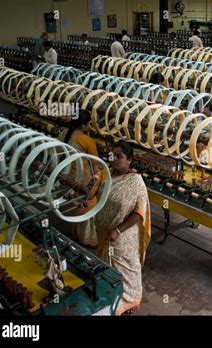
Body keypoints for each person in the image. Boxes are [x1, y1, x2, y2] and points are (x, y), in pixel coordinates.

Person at [95, 141, 151, 316]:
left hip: (123, 235)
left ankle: (131, 299)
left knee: (126, 268)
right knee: (106, 266)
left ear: (130, 160)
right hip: (104, 231)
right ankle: (111, 296)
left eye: (120, 156)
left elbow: (139, 212)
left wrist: (118, 230)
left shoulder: (136, 182)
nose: (114, 160)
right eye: (113, 156)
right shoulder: (107, 176)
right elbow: (94, 195)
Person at [59, 109, 100, 247]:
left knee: (74, 204)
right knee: (88, 206)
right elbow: (96, 165)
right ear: (83, 125)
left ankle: (75, 234)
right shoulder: (87, 141)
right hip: (83, 180)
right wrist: (97, 177)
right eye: (88, 124)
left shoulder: (64, 134)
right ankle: (88, 240)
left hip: (67, 176)